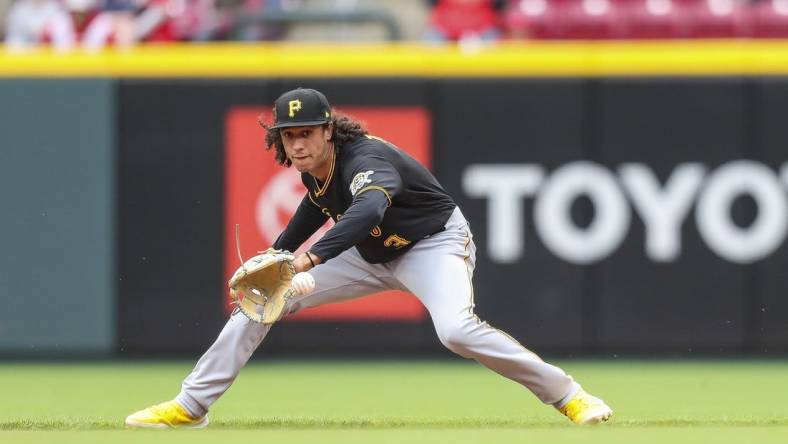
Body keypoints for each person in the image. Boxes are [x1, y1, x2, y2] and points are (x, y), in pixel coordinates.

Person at [124, 87, 613, 429]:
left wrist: (304, 262)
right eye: (288, 134)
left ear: (329, 130)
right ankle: (192, 406)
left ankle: (570, 396)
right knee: (262, 298)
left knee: (457, 331)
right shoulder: (313, 169)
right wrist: (277, 254)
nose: (298, 142)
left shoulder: (364, 159)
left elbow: (368, 208)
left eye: (308, 132)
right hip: (369, 255)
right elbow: (315, 208)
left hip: (432, 245)